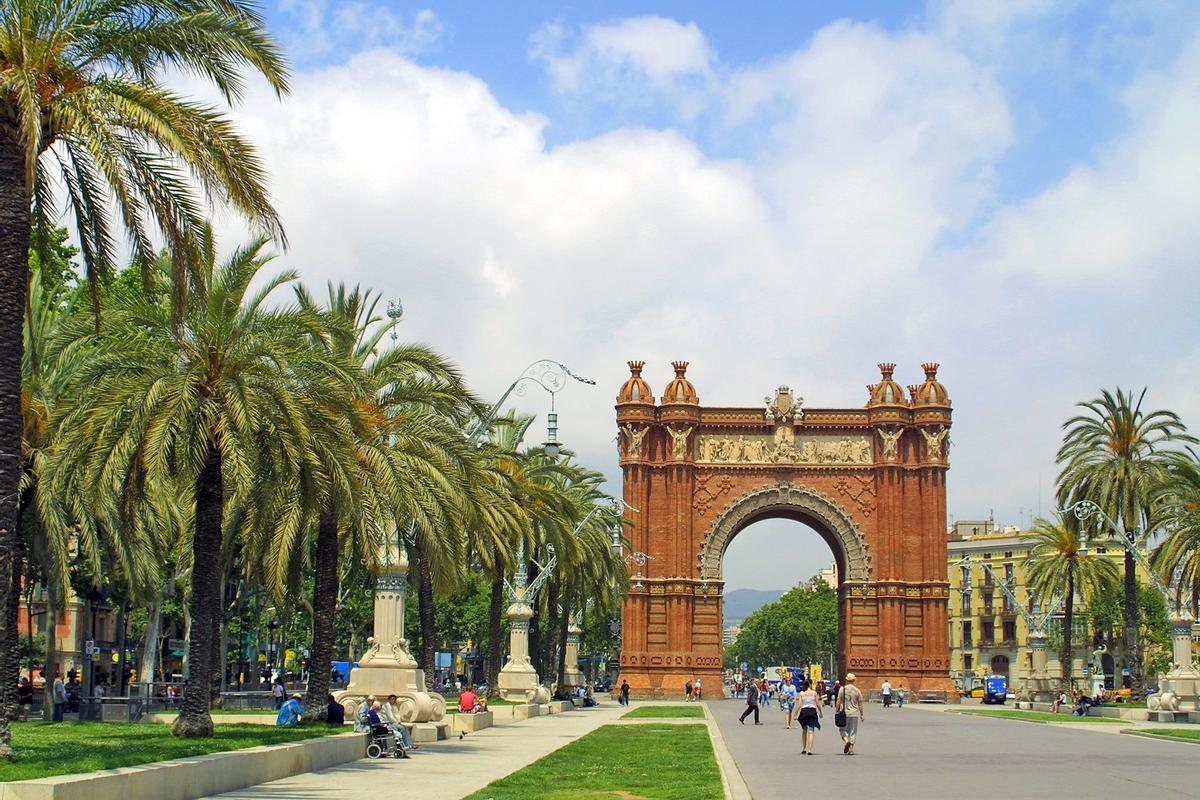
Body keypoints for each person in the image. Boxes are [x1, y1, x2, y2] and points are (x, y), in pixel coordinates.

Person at [836, 672, 865, 755]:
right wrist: (862, 714)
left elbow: (838, 700)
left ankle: (846, 741)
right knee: (853, 731)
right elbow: (860, 704)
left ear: (846, 680)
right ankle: (851, 749)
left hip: (844, 714)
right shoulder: (857, 691)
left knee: (842, 729)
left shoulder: (842, 689)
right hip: (854, 714)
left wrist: (837, 710)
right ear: (854, 680)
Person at [797, 681, 823, 755]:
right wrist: (821, 712)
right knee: (811, 731)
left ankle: (804, 748)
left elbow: (799, 705)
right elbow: (817, 704)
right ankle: (810, 750)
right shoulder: (814, 693)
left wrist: (795, 714)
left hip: (804, 712)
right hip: (812, 711)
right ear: (810, 685)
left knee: (804, 730)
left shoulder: (801, 693)